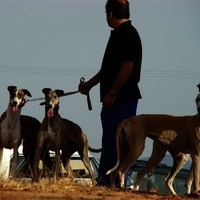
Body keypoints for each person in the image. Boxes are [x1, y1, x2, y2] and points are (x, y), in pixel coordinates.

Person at [78, 0, 142, 187]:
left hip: (122, 100)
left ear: (110, 14)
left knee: (118, 144)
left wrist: (112, 92)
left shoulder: (128, 34)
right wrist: (90, 84)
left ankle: (119, 184)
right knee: (109, 142)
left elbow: (127, 66)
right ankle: (104, 182)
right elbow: (108, 69)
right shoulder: (118, 35)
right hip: (112, 101)